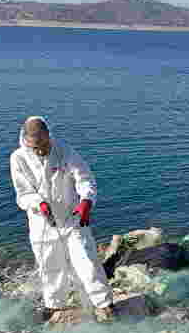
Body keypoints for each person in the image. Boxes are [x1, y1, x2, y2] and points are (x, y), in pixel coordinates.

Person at [10, 116, 115, 322]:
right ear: (26, 142)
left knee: (86, 259)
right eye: (36, 147)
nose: (41, 151)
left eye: (44, 145)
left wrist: (86, 201)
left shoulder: (64, 151)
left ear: (49, 137)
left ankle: (104, 304)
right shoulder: (18, 158)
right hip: (42, 222)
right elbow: (23, 194)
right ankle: (54, 305)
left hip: (72, 217)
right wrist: (39, 203)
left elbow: (85, 178)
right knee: (49, 264)